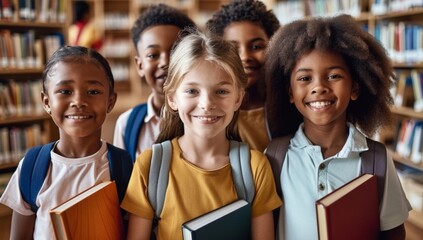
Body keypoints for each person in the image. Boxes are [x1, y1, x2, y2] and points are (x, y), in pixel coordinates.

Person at [121, 29, 282, 240]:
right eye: (192, 91)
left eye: (222, 91)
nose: (207, 104)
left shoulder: (256, 168)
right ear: (172, 98)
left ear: (238, 99)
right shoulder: (149, 166)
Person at [265, 14, 412, 240]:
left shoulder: (377, 160)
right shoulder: (275, 156)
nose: (319, 87)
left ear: (355, 88)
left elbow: (394, 232)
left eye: (334, 76)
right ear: (290, 93)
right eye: (305, 78)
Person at [0, 46, 127, 239]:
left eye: (93, 92)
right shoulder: (32, 168)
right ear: (46, 102)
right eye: (65, 91)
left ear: (110, 101)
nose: (78, 101)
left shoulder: (124, 167)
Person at [113, 4, 196, 160]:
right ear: (140, 65)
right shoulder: (127, 125)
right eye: (152, 55)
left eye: (175, 51)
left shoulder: (205, 116)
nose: (165, 62)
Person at [206, 0, 280, 152]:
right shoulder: (211, 112)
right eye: (233, 48)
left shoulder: (288, 105)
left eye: (257, 47)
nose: (245, 56)